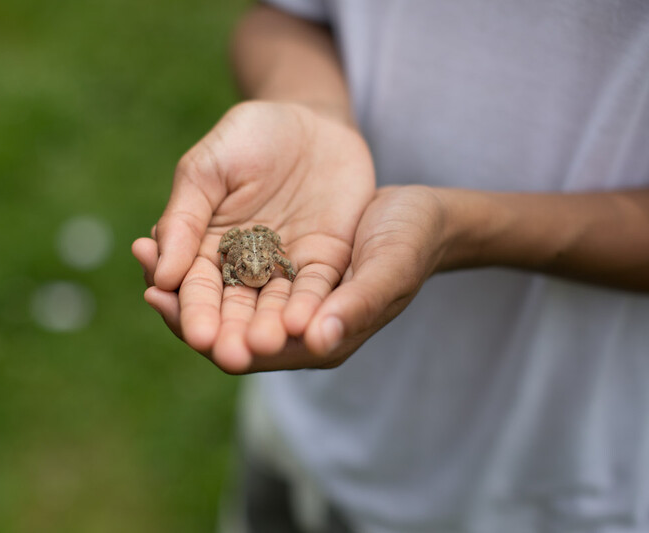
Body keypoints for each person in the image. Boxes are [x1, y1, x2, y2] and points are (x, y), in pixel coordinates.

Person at [133, 1, 649, 531]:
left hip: (558, 468)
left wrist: (457, 228)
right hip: (312, 417)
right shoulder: (248, 255)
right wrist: (310, 109)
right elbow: (278, 16)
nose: (260, 267)